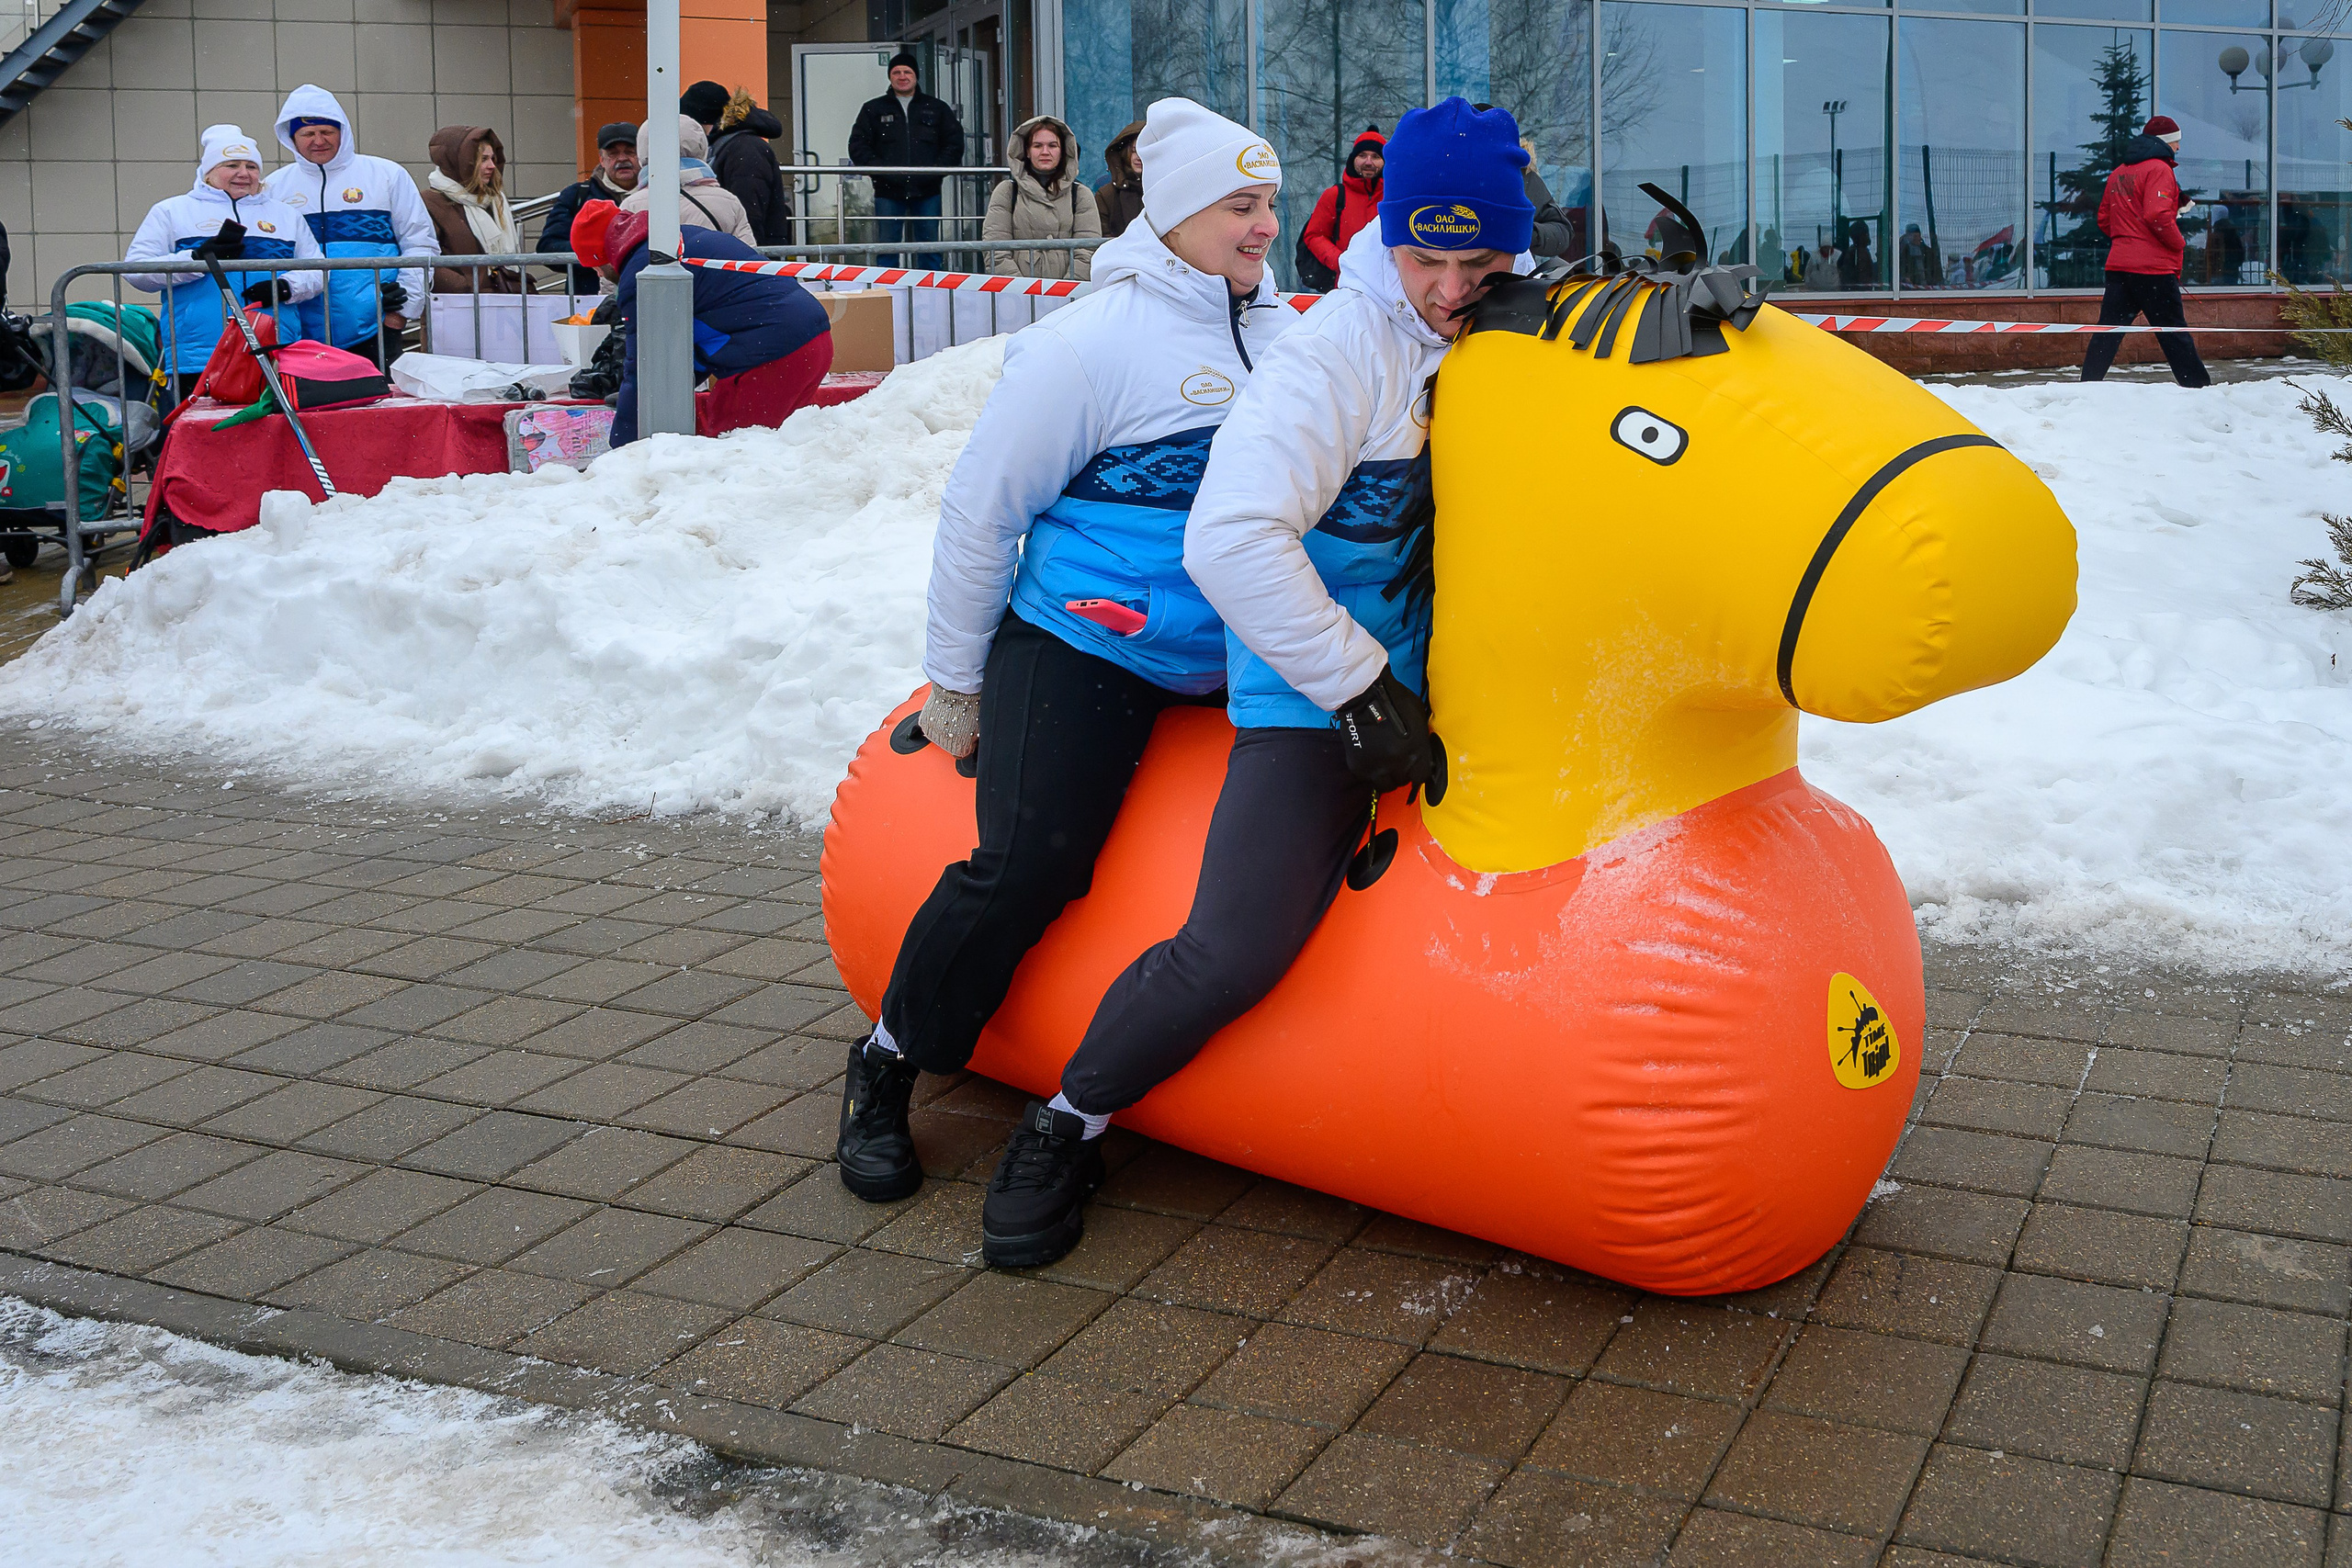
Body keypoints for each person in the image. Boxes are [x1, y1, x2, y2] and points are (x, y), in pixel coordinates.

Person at [945, 96, 1523, 1269]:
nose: (1451, 287)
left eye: (1482, 260)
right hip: (1311, 681)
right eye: (1427, 257)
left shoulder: (1505, 321)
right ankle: (1071, 1119)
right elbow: (1230, 540)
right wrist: (1357, 691)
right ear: (1386, 236)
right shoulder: (1336, 352)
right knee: (1239, 943)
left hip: (1459, 665)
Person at [831, 99, 1294, 1251]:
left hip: (1234, 644)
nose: (1264, 227)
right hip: (1085, 639)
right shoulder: (1091, 344)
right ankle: (889, 1062)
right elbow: (983, 512)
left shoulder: (1286, 336)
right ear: (1179, 214)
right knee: (1030, 860)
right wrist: (956, 681)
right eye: (1240, 205)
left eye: (1271, 202)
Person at [569, 198, 831, 446]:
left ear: (601, 257)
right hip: (810, 339)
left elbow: (646, 365)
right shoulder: (677, 240)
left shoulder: (646, 274)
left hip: (772, 357)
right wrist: (649, 401)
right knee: (775, 450)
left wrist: (623, 445)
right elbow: (694, 340)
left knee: (736, 455)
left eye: (596, 267)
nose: (599, 274)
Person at [125, 124, 324, 400]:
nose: (244, 173)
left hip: (274, 346)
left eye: (251, 166)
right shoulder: (171, 211)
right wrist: (195, 259)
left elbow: (317, 269)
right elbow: (136, 270)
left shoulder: (285, 215)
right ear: (209, 172)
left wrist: (286, 287)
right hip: (200, 352)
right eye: (231, 165)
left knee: (271, 435)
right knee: (204, 435)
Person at [261, 85, 435, 370]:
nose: (319, 141)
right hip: (299, 336)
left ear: (343, 131)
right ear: (291, 138)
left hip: (375, 330)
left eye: (327, 131)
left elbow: (420, 243)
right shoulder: (274, 187)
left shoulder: (386, 175)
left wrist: (400, 314)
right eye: (308, 133)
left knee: (382, 412)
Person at [2082, 115, 2210, 388]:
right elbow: (2157, 215)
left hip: (2119, 266)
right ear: (2166, 143)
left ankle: (2087, 387)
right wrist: (2179, 243)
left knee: (2108, 332)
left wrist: (2128, 239)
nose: (2178, 148)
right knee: (2174, 333)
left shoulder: (2119, 172)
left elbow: (2104, 218)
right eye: (2176, 142)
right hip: (2153, 270)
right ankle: (2199, 390)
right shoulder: (2160, 170)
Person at [847, 51, 966, 269]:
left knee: (929, 250)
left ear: (916, 76)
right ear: (890, 77)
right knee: (887, 251)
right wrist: (882, 172)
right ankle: (888, 296)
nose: (902, 76)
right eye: (896, 72)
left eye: (907, 71)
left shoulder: (936, 108)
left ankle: (930, 295)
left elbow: (954, 143)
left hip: (928, 191)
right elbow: (858, 145)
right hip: (887, 191)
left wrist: (935, 171)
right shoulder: (873, 109)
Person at [982, 114, 1100, 280]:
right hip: (1018, 297)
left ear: (1063, 151)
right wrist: (1020, 289)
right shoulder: (1007, 192)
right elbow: (995, 249)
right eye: (1037, 146)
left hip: (1070, 296)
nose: (1045, 152)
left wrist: (1066, 290)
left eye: (1052, 145)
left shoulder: (1080, 194)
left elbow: (1088, 250)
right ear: (1027, 151)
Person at [680, 81, 793, 246]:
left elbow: (749, 217)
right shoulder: (733, 146)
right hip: (741, 254)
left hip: (748, 256)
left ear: (701, 120)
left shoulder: (745, 149)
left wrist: (747, 261)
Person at [621, 115, 759, 247]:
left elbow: (620, 261)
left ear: (644, 150)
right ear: (701, 146)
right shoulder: (728, 202)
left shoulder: (631, 205)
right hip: (712, 271)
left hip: (651, 272)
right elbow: (745, 258)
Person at [422, 125, 528, 294]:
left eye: (493, 158)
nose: (492, 166)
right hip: (457, 310)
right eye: (483, 159)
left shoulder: (495, 200)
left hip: (501, 304)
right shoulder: (430, 202)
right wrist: (466, 287)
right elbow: (422, 259)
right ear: (460, 162)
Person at [538, 122, 639, 294]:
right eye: (613, 153)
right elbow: (548, 248)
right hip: (591, 302)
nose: (622, 159)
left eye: (630, 152)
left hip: (648, 298)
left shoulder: (661, 195)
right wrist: (597, 256)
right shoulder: (576, 196)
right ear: (601, 159)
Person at [1299, 125, 1384, 288]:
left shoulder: (1394, 197)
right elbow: (1314, 235)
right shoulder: (1335, 195)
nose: (1368, 162)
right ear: (1353, 159)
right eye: (1362, 155)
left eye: (1375, 156)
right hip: (1346, 286)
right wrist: (1341, 261)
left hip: (1389, 289)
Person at [1094, 118, 1144, 238]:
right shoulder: (1107, 195)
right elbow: (1102, 238)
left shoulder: (1165, 192)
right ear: (1124, 153)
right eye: (1133, 151)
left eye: (1143, 150)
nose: (1138, 157)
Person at [1838, 218, 1875, 289]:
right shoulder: (1858, 253)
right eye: (1866, 234)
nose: (1868, 236)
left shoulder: (1850, 252)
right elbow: (1862, 278)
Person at [1899, 223, 1935, 288]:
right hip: (1908, 287)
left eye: (1917, 236)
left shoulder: (1927, 252)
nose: (1916, 238)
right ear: (1907, 236)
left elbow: (1934, 269)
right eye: (1914, 236)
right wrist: (1904, 278)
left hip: (1926, 286)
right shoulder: (1901, 250)